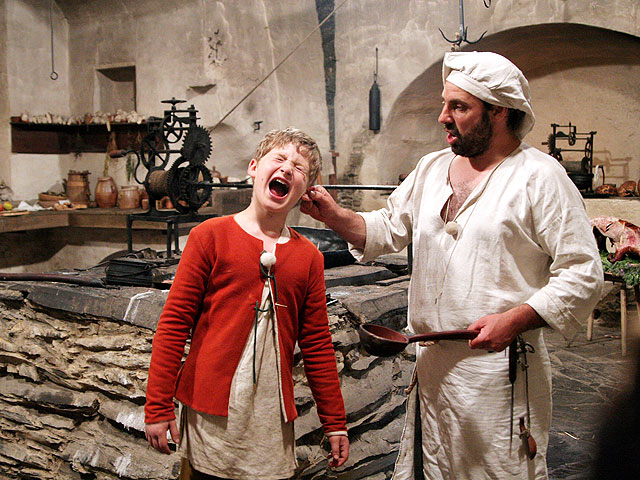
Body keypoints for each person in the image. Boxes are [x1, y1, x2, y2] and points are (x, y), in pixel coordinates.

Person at [300, 51, 603, 479]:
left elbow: (583, 273)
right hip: (434, 369)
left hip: (497, 372)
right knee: (434, 468)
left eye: (459, 107)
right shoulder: (432, 167)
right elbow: (388, 227)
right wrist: (335, 216)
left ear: (499, 111)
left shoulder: (540, 177)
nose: (443, 117)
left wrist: (516, 319)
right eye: (445, 104)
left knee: (496, 472)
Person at [144, 127, 349, 479]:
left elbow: (317, 344)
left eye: (299, 168)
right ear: (254, 167)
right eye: (279, 159)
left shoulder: (309, 257)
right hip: (210, 416)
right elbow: (174, 325)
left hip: (270, 420)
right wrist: (158, 407)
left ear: (305, 190)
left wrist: (335, 422)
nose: (287, 169)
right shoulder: (209, 236)